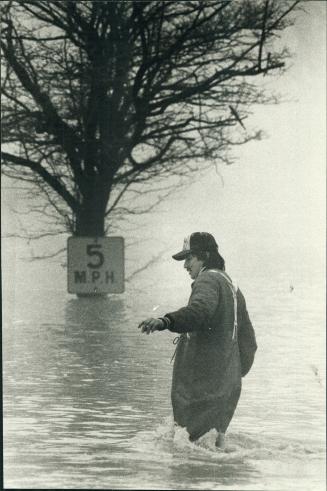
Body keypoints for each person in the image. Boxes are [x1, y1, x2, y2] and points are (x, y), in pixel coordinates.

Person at [138, 232, 254, 449]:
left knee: (188, 453)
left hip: (202, 389)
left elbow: (199, 311)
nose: (185, 266)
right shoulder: (232, 286)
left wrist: (165, 321)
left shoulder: (208, 279)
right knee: (214, 451)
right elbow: (249, 342)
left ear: (205, 256)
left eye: (189, 258)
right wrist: (232, 374)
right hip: (226, 387)